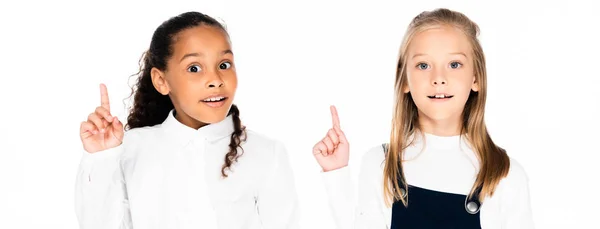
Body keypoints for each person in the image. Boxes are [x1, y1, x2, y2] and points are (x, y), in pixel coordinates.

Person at [312, 8, 534, 228]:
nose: (439, 78)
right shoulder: (381, 164)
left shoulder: (505, 176)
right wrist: (336, 174)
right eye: (423, 65)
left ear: (475, 77)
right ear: (405, 79)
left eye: (454, 64)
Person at [75, 11, 299, 229]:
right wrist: (102, 158)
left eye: (224, 65)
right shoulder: (130, 149)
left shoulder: (267, 153)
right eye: (194, 68)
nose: (215, 80)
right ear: (162, 80)